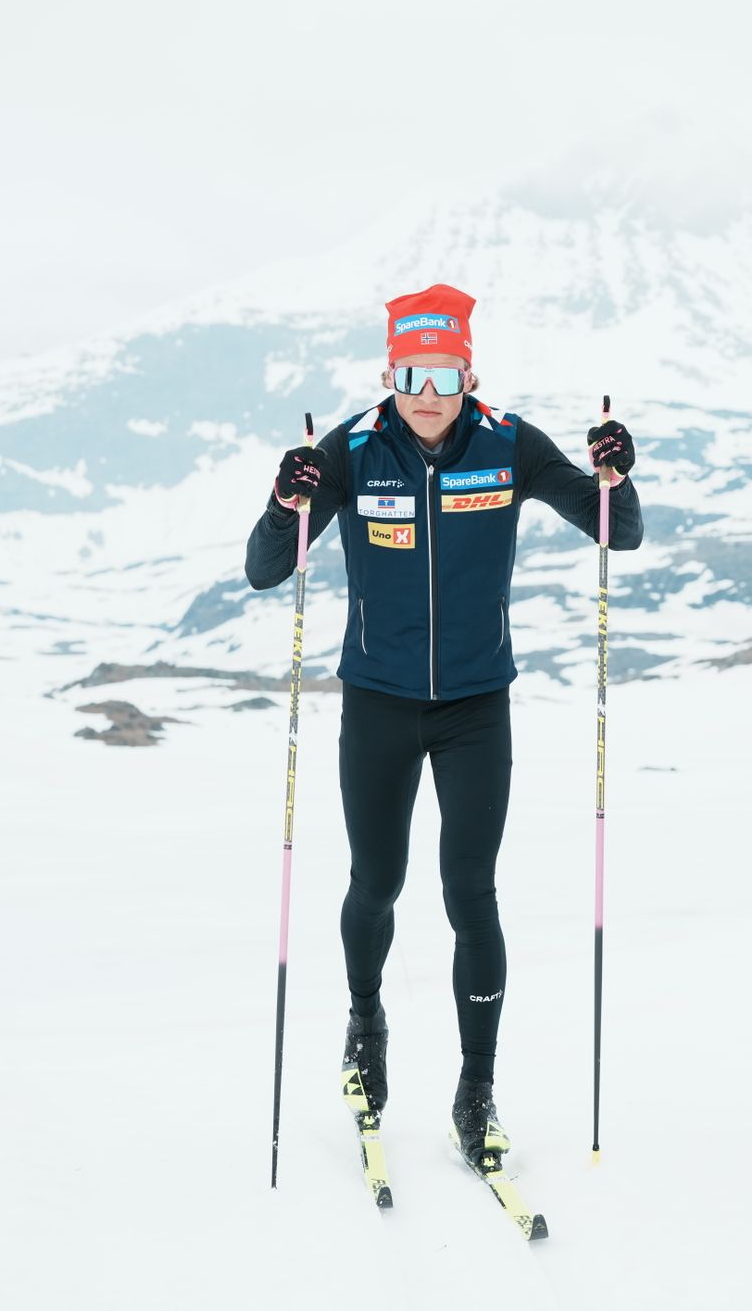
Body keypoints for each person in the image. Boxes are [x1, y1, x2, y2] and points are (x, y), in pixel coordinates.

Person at [244, 283, 642, 1170]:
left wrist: (617, 475)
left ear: (470, 373)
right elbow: (267, 570)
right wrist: (284, 500)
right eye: (413, 372)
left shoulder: (507, 445)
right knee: (376, 883)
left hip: (474, 708)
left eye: (447, 372)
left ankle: (476, 1088)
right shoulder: (351, 448)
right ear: (391, 373)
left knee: (472, 893)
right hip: (378, 703)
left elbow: (621, 533)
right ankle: (365, 1021)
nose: (429, 391)